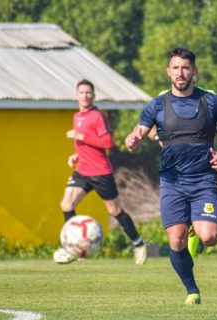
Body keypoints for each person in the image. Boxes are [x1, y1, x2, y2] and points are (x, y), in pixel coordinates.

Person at [124, 47, 217, 304]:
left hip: (203, 181)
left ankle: (197, 231)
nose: (180, 72)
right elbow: (135, 136)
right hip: (172, 182)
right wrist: (132, 141)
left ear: (194, 72)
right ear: (168, 72)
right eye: (176, 67)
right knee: (175, 239)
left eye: (185, 67)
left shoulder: (211, 102)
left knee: (209, 237)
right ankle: (192, 290)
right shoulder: (157, 105)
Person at [55, 79, 148, 265]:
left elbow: (107, 143)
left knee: (114, 210)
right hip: (82, 171)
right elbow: (86, 147)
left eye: (88, 92)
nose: (85, 96)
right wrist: (76, 156)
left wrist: (81, 136)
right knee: (66, 204)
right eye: (81, 92)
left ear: (94, 96)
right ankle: (72, 248)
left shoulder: (98, 116)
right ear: (76, 96)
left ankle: (138, 243)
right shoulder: (77, 117)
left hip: (100, 172)